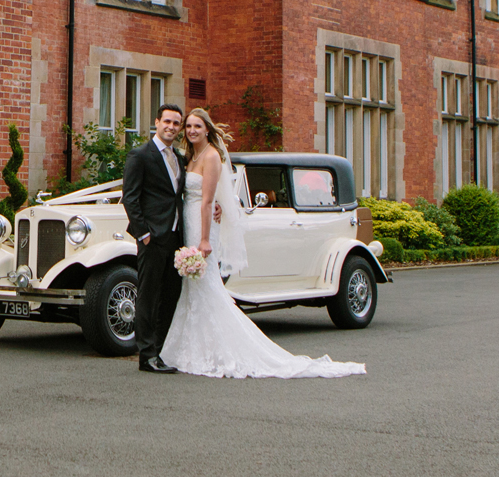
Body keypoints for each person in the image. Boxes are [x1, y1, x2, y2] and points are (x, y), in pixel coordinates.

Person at [159, 108, 366, 380]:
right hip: (189, 220)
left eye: (197, 126)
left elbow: (208, 200)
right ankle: (192, 349)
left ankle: (220, 350)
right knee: (192, 287)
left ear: (207, 129)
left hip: (203, 225)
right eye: (188, 126)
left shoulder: (210, 156)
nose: (191, 130)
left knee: (207, 286)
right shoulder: (190, 155)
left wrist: (206, 239)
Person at [121, 103, 186, 373]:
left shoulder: (179, 157)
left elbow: (179, 195)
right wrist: (144, 234)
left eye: (176, 123)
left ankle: (160, 350)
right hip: (152, 238)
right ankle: (146, 355)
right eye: (167, 122)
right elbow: (130, 198)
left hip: (175, 236)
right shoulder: (141, 155)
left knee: (170, 295)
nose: (171, 127)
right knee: (148, 296)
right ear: (156, 122)